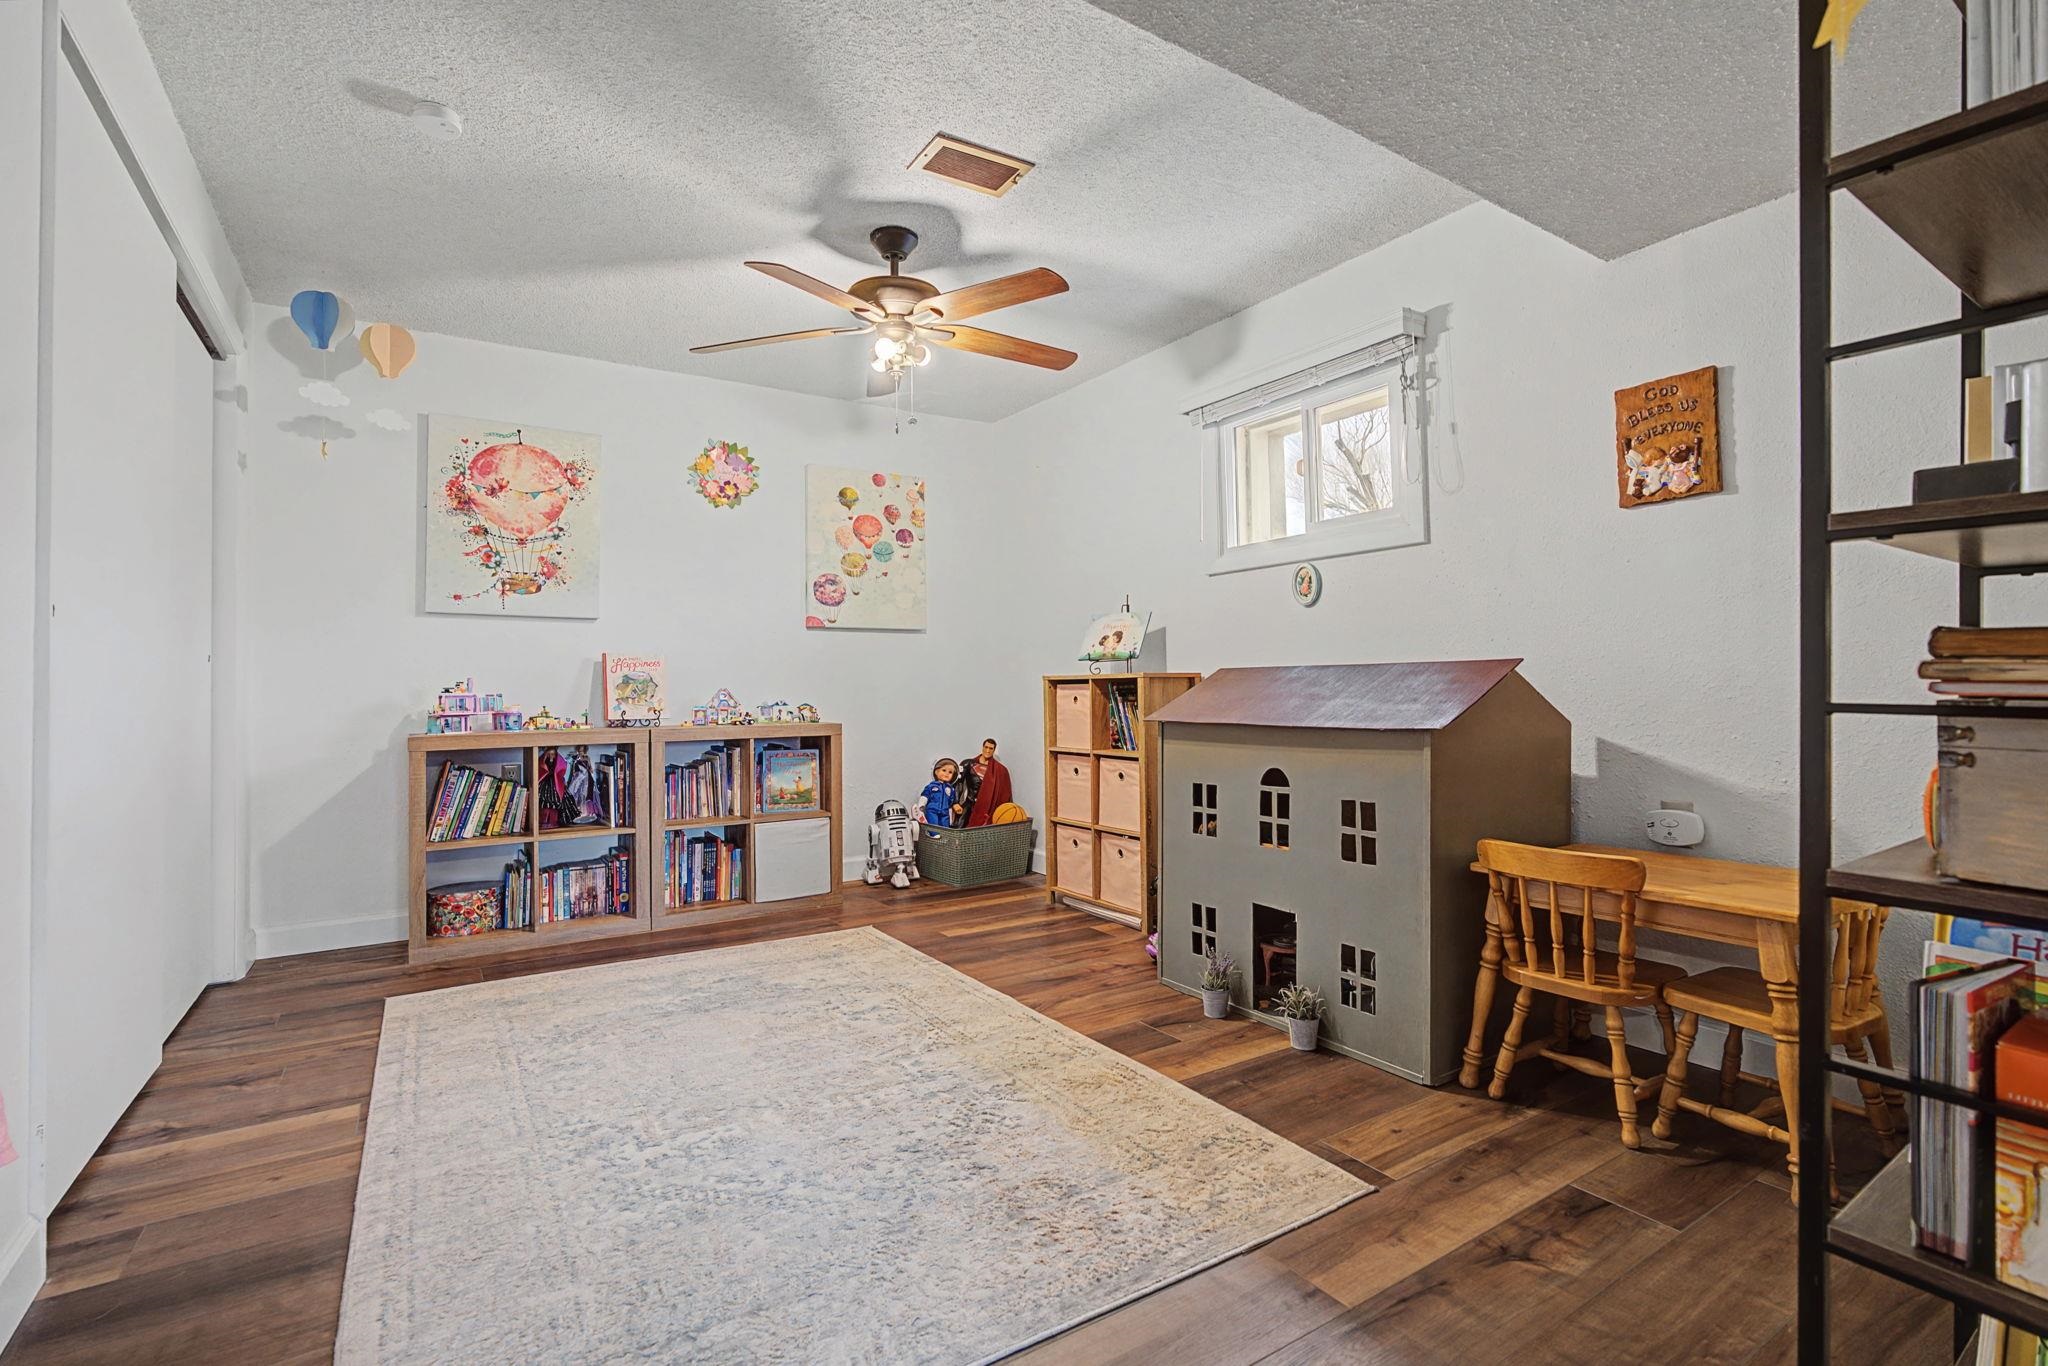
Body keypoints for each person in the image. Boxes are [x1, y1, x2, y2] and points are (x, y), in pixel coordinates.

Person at [963, 737, 1013, 827]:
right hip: (971, 805)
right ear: (982, 747)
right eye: (986, 747)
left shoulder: (1000, 770)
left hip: (989, 808)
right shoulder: (970, 764)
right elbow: (959, 784)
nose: (988, 750)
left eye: (991, 748)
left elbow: (1005, 794)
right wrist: (955, 803)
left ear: (994, 750)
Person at [920, 758, 960, 828]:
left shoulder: (950, 789)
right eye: (944, 770)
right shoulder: (932, 786)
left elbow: (952, 801)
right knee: (933, 824)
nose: (947, 774)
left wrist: (955, 806)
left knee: (945, 825)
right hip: (932, 810)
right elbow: (925, 795)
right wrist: (922, 804)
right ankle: (935, 835)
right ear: (936, 772)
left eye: (950, 772)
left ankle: (945, 836)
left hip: (945, 812)